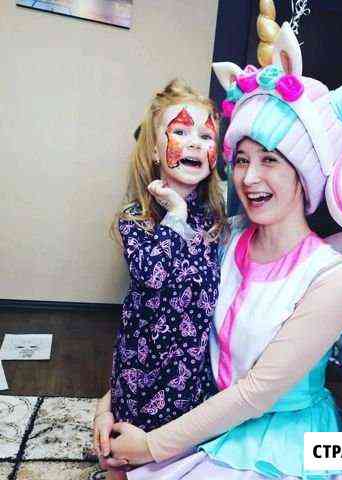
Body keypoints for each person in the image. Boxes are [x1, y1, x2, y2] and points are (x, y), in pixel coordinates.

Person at [96, 23, 342, 480]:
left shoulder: (331, 279)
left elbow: (256, 393)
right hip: (208, 414)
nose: (248, 177)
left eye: (270, 160)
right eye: (242, 159)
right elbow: (157, 323)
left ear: (305, 173)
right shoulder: (223, 239)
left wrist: (150, 445)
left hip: (283, 442)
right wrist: (111, 404)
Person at [92, 79, 227, 479]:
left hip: (191, 370)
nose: (194, 143)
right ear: (154, 150)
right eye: (180, 132)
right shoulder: (135, 218)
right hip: (143, 367)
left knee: (172, 457)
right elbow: (152, 276)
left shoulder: (214, 221)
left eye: (206, 136)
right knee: (123, 458)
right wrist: (175, 216)